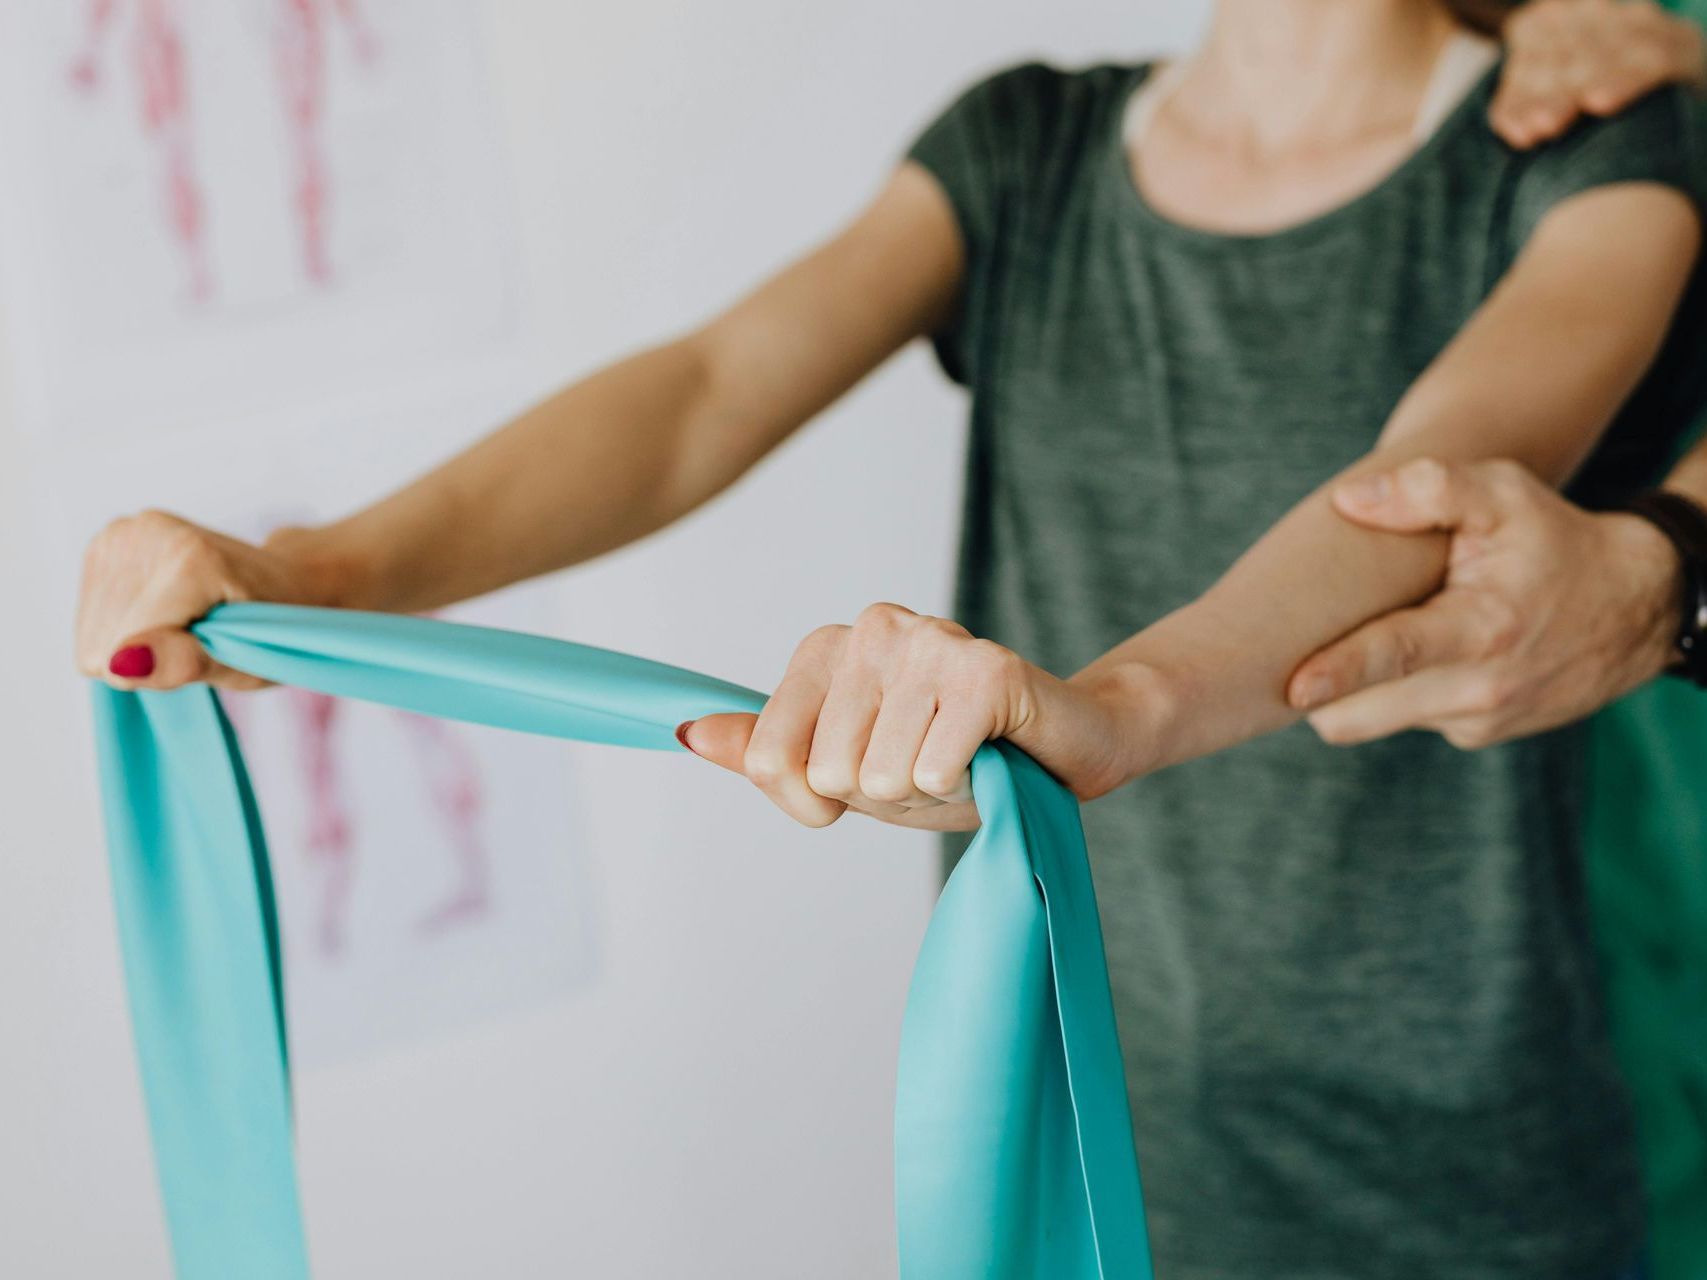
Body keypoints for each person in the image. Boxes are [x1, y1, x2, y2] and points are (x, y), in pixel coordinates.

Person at [74, 3, 1707, 1279]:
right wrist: (329, 573)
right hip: (1054, 1128)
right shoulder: (1029, 140)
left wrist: (1116, 708)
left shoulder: (1599, 136)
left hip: (1449, 1178)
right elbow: (699, 396)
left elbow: (1431, 492)